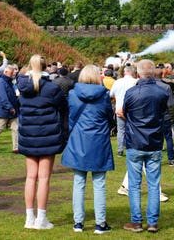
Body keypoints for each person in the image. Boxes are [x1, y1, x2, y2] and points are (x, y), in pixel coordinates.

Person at [61, 64, 114, 234]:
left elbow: (71, 115)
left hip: (79, 138)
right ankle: (100, 223)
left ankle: (78, 222)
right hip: (98, 139)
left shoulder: (73, 94)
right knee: (99, 184)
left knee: (79, 182)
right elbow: (108, 115)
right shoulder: (104, 95)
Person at [17, 55, 68, 230]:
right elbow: (63, 107)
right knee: (44, 178)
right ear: (46, 67)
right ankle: (41, 218)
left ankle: (29, 217)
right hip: (48, 135)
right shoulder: (52, 88)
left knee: (31, 177)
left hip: (30, 135)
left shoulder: (23, 88)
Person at [121, 59, 169, 234]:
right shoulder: (161, 92)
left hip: (136, 141)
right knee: (153, 184)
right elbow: (163, 113)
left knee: (134, 185)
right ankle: (152, 222)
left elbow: (125, 112)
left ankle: (137, 222)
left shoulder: (132, 92)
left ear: (138, 73)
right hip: (154, 141)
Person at [110, 64, 137, 158]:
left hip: (119, 108)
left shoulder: (117, 82)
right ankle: (132, 147)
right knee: (133, 129)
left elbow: (111, 94)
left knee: (121, 130)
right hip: (133, 109)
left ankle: (120, 149)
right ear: (133, 73)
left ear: (124, 72)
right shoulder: (135, 82)